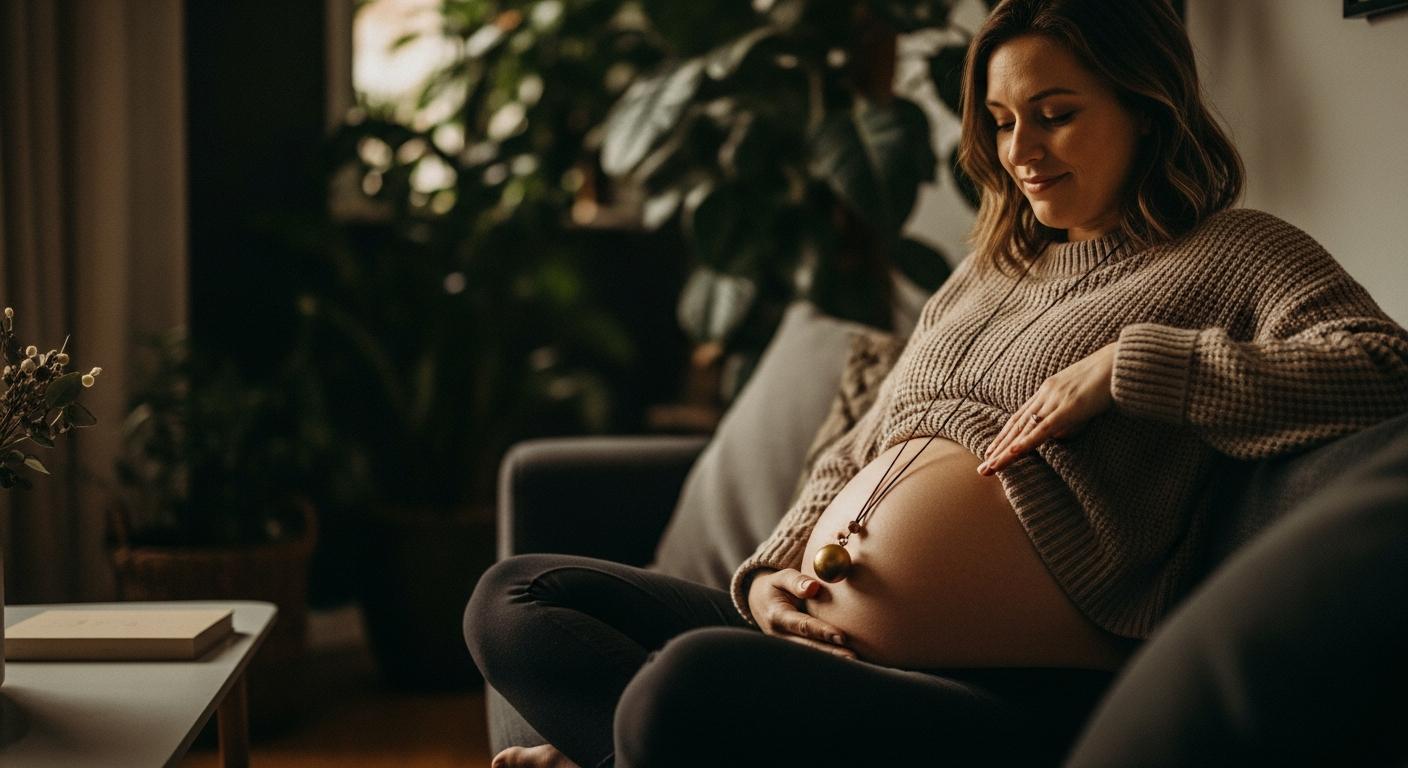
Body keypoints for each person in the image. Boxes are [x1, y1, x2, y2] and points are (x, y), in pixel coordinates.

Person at [464, 1, 1408, 766]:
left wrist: (1134, 368)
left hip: (997, 688)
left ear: (1147, 104)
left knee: (682, 689)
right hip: (813, 635)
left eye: (1056, 113)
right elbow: (858, 448)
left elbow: (1385, 367)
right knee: (514, 599)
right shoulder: (986, 273)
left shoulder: (1237, 254)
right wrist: (769, 578)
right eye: (1000, 122)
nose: (1020, 152)